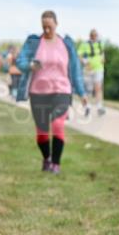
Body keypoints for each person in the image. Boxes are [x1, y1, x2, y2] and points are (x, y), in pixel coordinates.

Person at [15, 11, 88, 174]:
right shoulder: (33, 42)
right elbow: (20, 62)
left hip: (62, 90)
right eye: (44, 27)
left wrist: (82, 93)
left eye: (50, 26)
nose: (47, 30)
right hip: (38, 92)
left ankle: (56, 164)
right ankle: (47, 158)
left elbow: (75, 71)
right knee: (42, 132)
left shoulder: (66, 44)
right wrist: (30, 65)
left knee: (57, 124)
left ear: (56, 24)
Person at [77, 28, 106, 116]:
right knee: (88, 90)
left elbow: (102, 53)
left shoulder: (101, 43)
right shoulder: (84, 44)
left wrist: (103, 58)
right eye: (92, 35)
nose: (94, 37)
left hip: (99, 68)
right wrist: (85, 62)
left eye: (95, 35)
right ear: (90, 36)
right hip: (88, 69)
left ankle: (99, 107)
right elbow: (79, 55)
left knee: (98, 87)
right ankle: (87, 107)